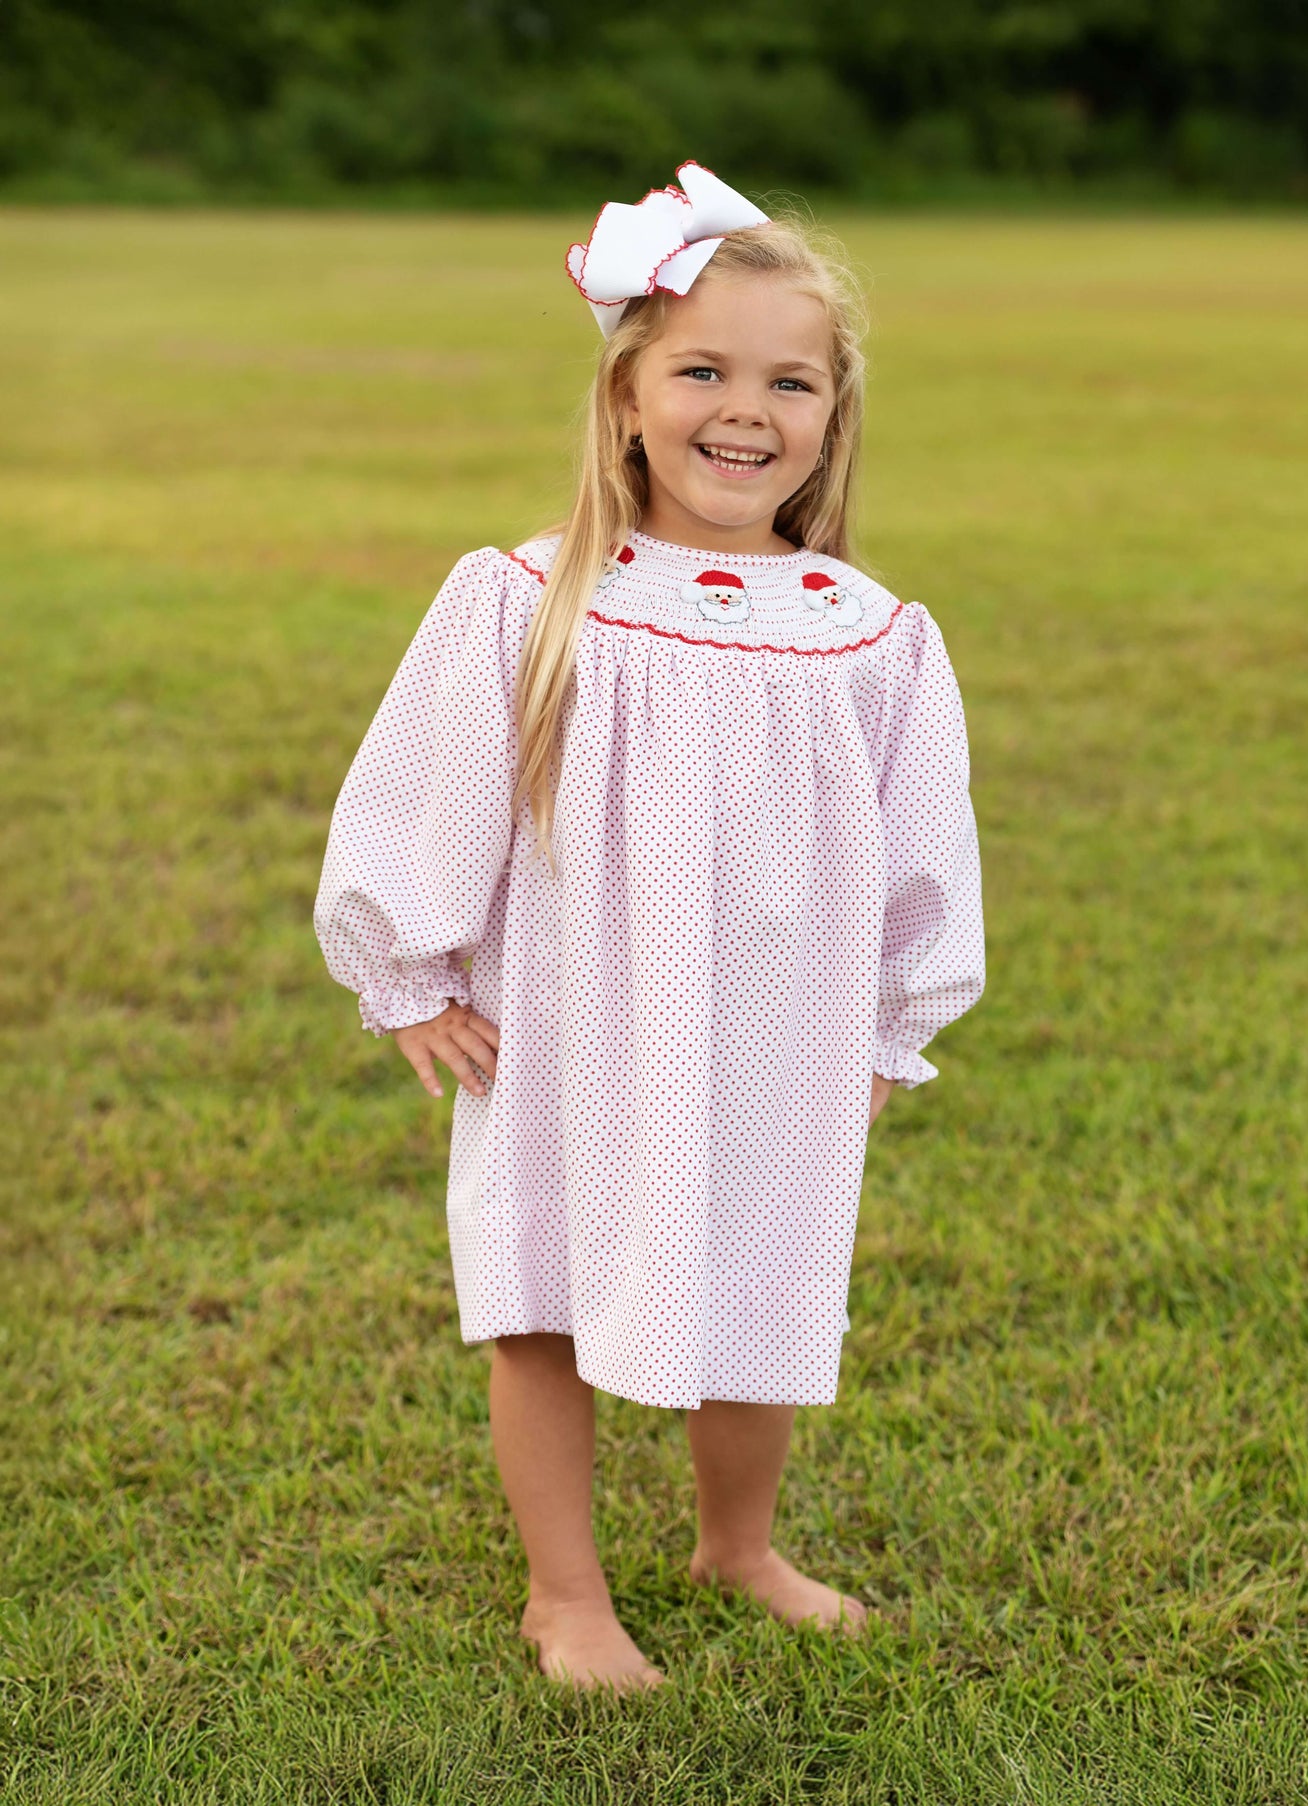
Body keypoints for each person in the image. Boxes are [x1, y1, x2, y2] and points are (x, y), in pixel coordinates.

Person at [314, 160, 985, 1694]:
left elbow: (920, 845)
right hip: (568, 1018)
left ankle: (734, 1543)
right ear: (626, 395)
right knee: (538, 1295)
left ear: (829, 412)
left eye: (787, 379)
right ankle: (565, 1593)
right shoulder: (532, 597)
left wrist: (892, 1017)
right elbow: (427, 787)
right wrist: (407, 971)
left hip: (771, 1028)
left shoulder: (867, 629)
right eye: (701, 368)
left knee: (761, 1283)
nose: (743, 409)